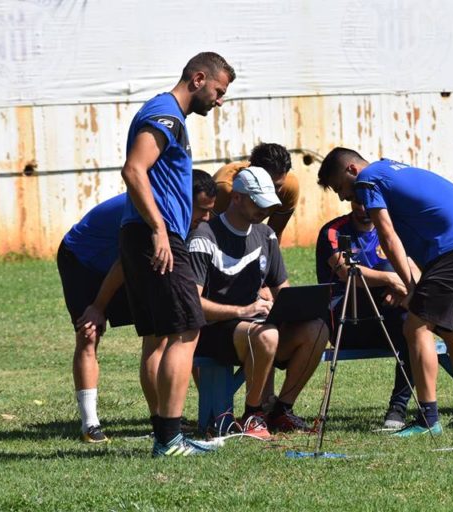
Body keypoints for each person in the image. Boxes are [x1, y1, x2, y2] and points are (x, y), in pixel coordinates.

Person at [318, 148, 453, 437]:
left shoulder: (367, 181)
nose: (343, 197)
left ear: (351, 170)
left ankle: (428, 419)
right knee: (450, 328)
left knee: (415, 325)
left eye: (340, 188)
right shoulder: (390, 169)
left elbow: (387, 236)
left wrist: (411, 287)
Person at [119, 51, 235, 457]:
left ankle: (164, 435)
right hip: (158, 235)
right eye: (219, 91)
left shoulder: (170, 116)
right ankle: (169, 438)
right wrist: (160, 231)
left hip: (145, 234)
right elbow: (134, 170)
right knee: (187, 330)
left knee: (159, 335)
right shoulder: (166, 115)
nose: (220, 100)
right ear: (199, 78)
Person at [58, 169, 217, 443]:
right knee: (89, 332)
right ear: (184, 198)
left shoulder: (179, 212)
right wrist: (98, 306)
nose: (206, 218)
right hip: (83, 260)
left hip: (128, 261)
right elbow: (122, 263)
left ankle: (160, 421)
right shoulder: (154, 211)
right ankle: (90, 425)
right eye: (201, 210)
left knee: (157, 333)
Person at [188, 167, 328, 437]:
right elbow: (193, 303)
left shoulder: (266, 236)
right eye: (258, 202)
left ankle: (281, 409)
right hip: (213, 331)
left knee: (318, 329)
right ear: (237, 198)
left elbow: (281, 290)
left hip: (259, 327)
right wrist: (244, 310)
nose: (265, 210)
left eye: (268, 203)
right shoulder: (204, 236)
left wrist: (293, 309)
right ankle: (253, 415)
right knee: (266, 336)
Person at [315, 200, 419, 430]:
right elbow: (345, 272)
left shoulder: (393, 230)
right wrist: (391, 281)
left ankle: (398, 407)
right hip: (346, 322)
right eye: (358, 203)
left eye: (368, 204)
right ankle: (452, 330)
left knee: (414, 327)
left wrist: (402, 287)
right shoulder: (334, 231)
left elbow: (415, 270)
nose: (363, 209)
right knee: (388, 274)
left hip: (390, 319)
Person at [213, 142, 298, 241]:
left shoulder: (289, 187)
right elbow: (211, 233)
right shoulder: (225, 188)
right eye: (266, 186)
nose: (271, 193)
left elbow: (273, 237)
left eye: (277, 186)